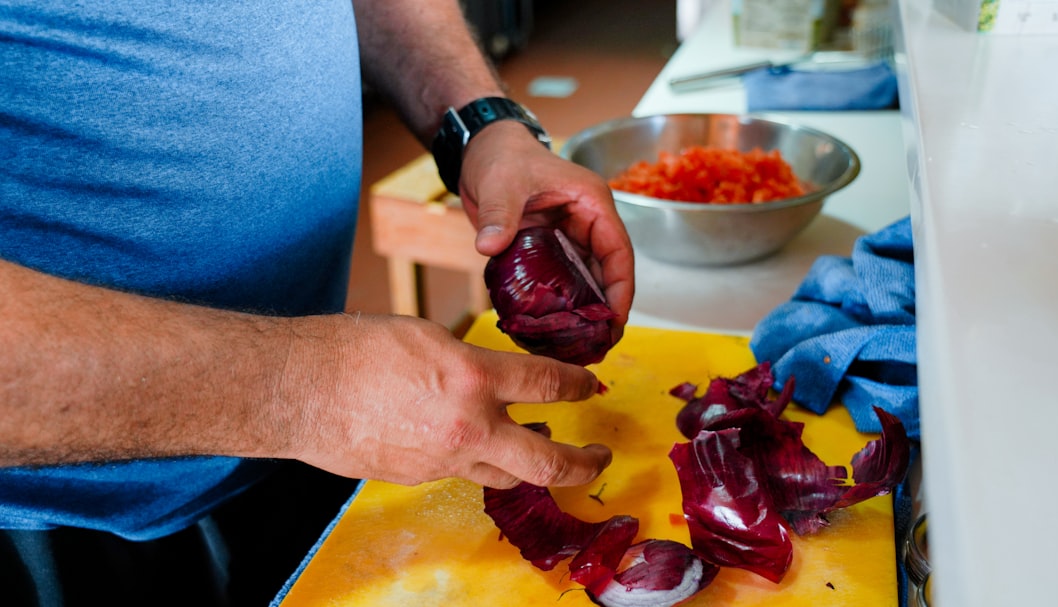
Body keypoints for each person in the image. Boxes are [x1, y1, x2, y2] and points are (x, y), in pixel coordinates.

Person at [0, 0, 635, 604]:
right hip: (64, 526)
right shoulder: (309, 397)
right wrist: (305, 389)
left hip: (304, 444)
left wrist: (478, 121)